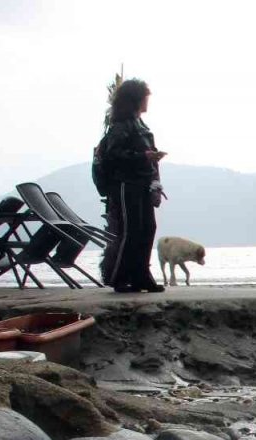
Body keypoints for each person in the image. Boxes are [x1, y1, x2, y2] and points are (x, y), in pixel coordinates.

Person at [98, 78, 166, 293]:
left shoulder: (141, 125)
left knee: (147, 228)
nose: (148, 102)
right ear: (136, 99)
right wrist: (142, 156)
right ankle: (119, 277)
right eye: (145, 97)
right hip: (126, 185)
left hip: (142, 183)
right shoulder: (121, 126)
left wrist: (155, 180)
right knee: (130, 230)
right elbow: (113, 154)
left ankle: (141, 275)